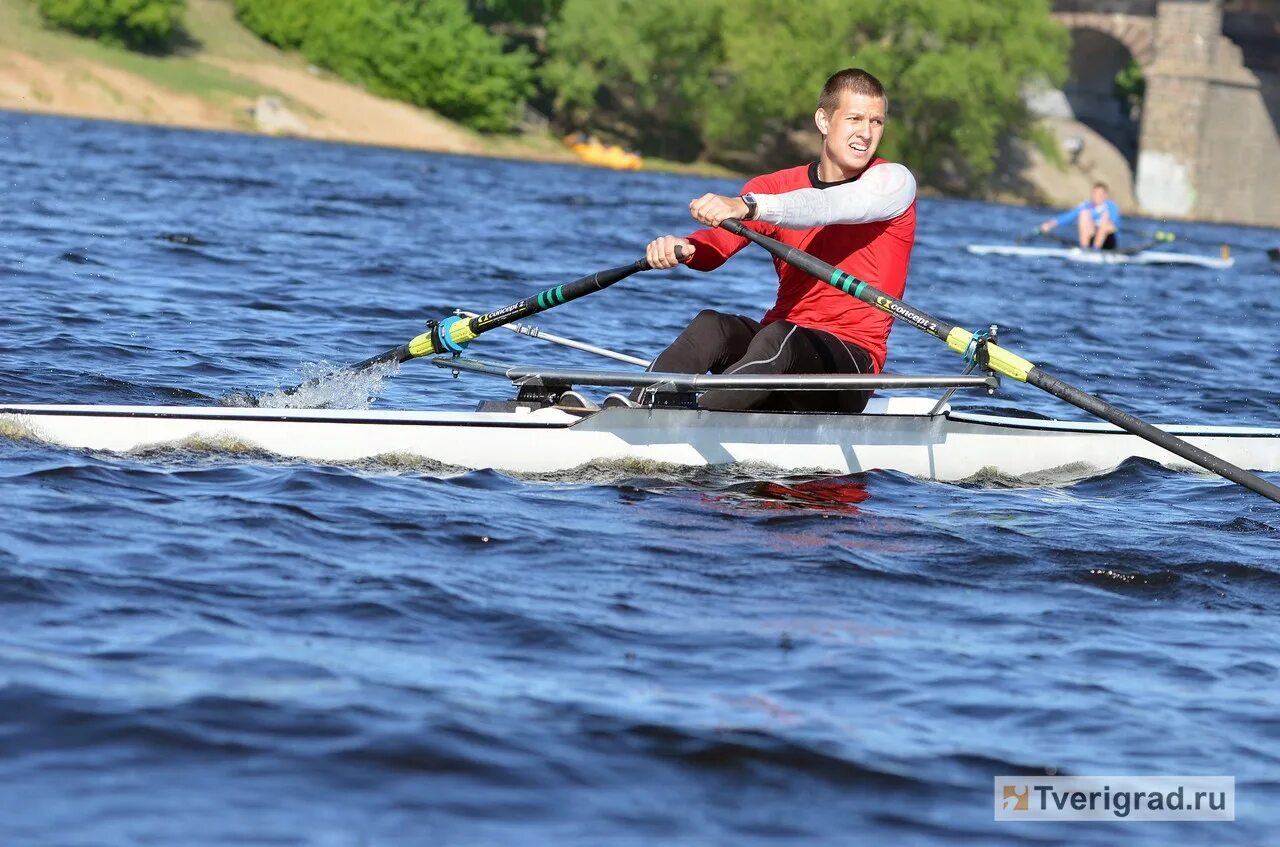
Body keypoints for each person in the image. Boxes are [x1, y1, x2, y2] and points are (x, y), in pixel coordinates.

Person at [631, 68, 917, 414]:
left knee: (780, 337)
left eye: (877, 122)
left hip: (850, 367)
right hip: (776, 355)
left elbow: (825, 205)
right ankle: (633, 411)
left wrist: (748, 206)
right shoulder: (774, 185)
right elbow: (718, 245)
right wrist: (686, 246)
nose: (866, 133)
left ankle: (693, 419)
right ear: (824, 121)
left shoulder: (893, 182)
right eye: (855, 119)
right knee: (711, 326)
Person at [1039, 182, 1121, 250]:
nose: (1096, 196)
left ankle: (1096, 249)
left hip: (1108, 240)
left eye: (1100, 194)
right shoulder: (1086, 206)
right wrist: (1049, 224)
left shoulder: (1111, 206)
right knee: (1083, 214)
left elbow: (1112, 225)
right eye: (1095, 193)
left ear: (1105, 196)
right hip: (1092, 237)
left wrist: (1099, 224)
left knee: (1105, 218)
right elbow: (1068, 216)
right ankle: (1084, 248)